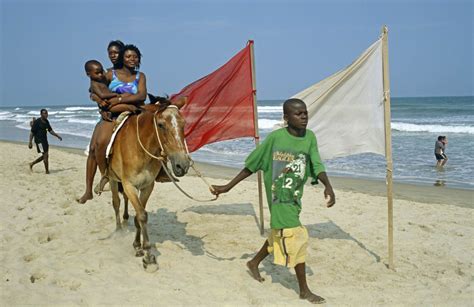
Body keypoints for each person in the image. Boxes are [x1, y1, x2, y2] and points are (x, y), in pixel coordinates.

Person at [211, 98, 336, 304]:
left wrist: (327, 186)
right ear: (286, 118)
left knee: (279, 232)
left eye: (305, 113)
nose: (303, 116)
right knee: (296, 236)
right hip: (278, 196)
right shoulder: (275, 139)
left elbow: (316, 163)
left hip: (294, 195)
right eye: (298, 114)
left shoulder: (310, 137)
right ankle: (304, 290)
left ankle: (253, 262)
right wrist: (227, 187)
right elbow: (252, 165)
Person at [78, 44, 148, 203]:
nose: (132, 59)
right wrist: (100, 103)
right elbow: (94, 90)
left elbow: (142, 95)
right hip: (112, 114)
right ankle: (95, 184)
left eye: (135, 57)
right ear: (123, 57)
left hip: (135, 112)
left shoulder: (140, 76)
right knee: (97, 145)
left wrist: (119, 99)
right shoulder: (110, 74)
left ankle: (161, 172)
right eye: (128, 56)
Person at [28, 109, 62, 174]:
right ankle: (47, 171)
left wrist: (57, 135)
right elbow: (32, 132)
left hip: (45, 141)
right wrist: (30, 142)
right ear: (41, 114)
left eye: (46, 113)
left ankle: (32, 163)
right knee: (45, 155)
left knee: (45, 156)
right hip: (39, 141)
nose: (46, 115)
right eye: (44, 113)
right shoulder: (37, 122)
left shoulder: (46, 122)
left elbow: (50, 130)